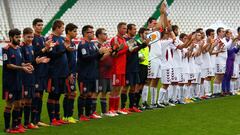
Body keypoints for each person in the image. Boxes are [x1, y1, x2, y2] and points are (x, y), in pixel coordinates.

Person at [2, 28, 33, 133]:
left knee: (18, 104)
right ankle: (7, 128)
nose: (19, 39)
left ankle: (15, 126)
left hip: (19, 81)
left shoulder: (19, 48)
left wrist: (27, 65)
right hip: (10, 82)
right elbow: (8, 65)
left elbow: (21, 63)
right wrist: (22, 68)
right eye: (17, 37)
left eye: (19, 37)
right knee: (9, 104)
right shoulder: (6, 49)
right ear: (11, 38)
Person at [77, 25, 109, 121]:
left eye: (92, 31)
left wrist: (102, 53)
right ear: (85, 33)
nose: (92, 33)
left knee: (90, 94)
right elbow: (85, 58)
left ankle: (89, 113)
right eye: (90, 32)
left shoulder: (92, 44)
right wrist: (99, 53)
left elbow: (97, 58)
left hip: (93, 73)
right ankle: (80, 115)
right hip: (84, 74)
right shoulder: (83, 44)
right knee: (84, 94)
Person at [46, 20, 69, 125]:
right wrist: (64, 49)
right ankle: (52, 119)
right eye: (62, 28)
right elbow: (51, 55)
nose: (63, 30)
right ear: (57, 28)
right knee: (52, 95)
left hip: (63, 72)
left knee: (58, 95)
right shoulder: (50, 38)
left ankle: (57, 117)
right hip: (54, 72)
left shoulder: (62, 39)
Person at [31, 18, 50, 127]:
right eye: (38, 25)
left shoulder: (43, 38)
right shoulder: (32, 38)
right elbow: (34, 55)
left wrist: (48, 51)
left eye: (42, 25)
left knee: (41, 95)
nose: (40, 27)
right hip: (35, 71)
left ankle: (37, 119)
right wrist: (44, 49)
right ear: (34, 26)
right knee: (36, 95)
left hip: (43, 71)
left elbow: (44, 53)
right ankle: (32, 120)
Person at [95, 28, 116, 117]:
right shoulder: (97, 45)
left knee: (105, 92)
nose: (106, 35)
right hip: (100, 72)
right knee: (97, 92)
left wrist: (113, 51)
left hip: (108, 72)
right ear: (99, 35)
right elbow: (99, 59)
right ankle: (93, 112)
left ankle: (104, 112)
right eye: (104, 33)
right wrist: (108, 53)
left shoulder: (106, 45)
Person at [109, 22, 129, 114]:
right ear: (119, 29)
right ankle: (111, 109)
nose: (125, 30)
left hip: (122, 67)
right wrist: (124, 49)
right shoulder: (115, 39)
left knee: (119, 88)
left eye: (126, 28)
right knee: (114, 88)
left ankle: (116, 109)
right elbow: (114, 54)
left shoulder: (124, 40)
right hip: (116, 68)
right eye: (124, 28)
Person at [62, 23, 78, 123]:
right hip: (68, 73)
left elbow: (73, 59)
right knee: (71, 93)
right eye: (74, 31)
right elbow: (65, 60)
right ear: (68, 31)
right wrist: (69, 73)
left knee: (69, 94)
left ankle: (66, 116)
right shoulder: (65, 42)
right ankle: (68, 116)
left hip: (73, 71)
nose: (76, 33)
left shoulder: (72, 43)